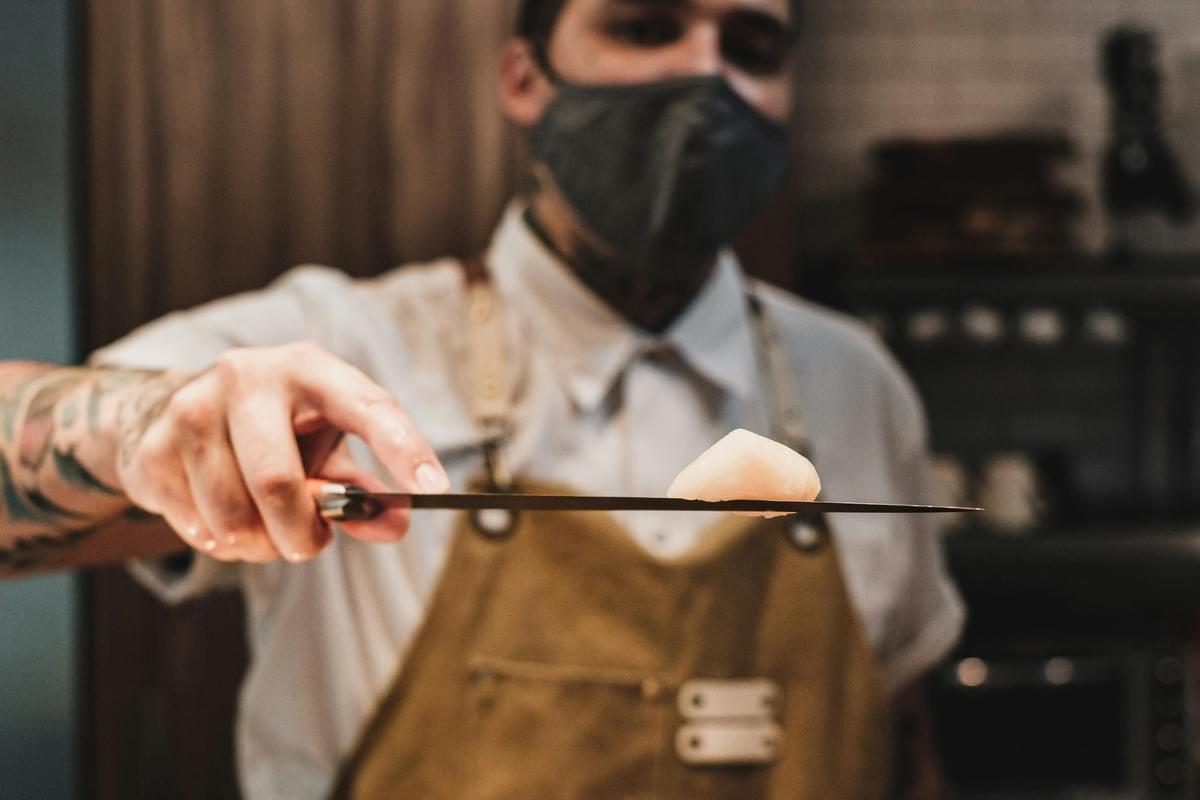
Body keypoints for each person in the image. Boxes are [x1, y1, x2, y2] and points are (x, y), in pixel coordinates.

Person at [0, 0, 964, 797]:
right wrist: (144, 427)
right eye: (644, 27)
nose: (705, 79)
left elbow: (903, 737)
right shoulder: (340, 353)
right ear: (523, 80)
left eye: (752, 48)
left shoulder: (857, 384)